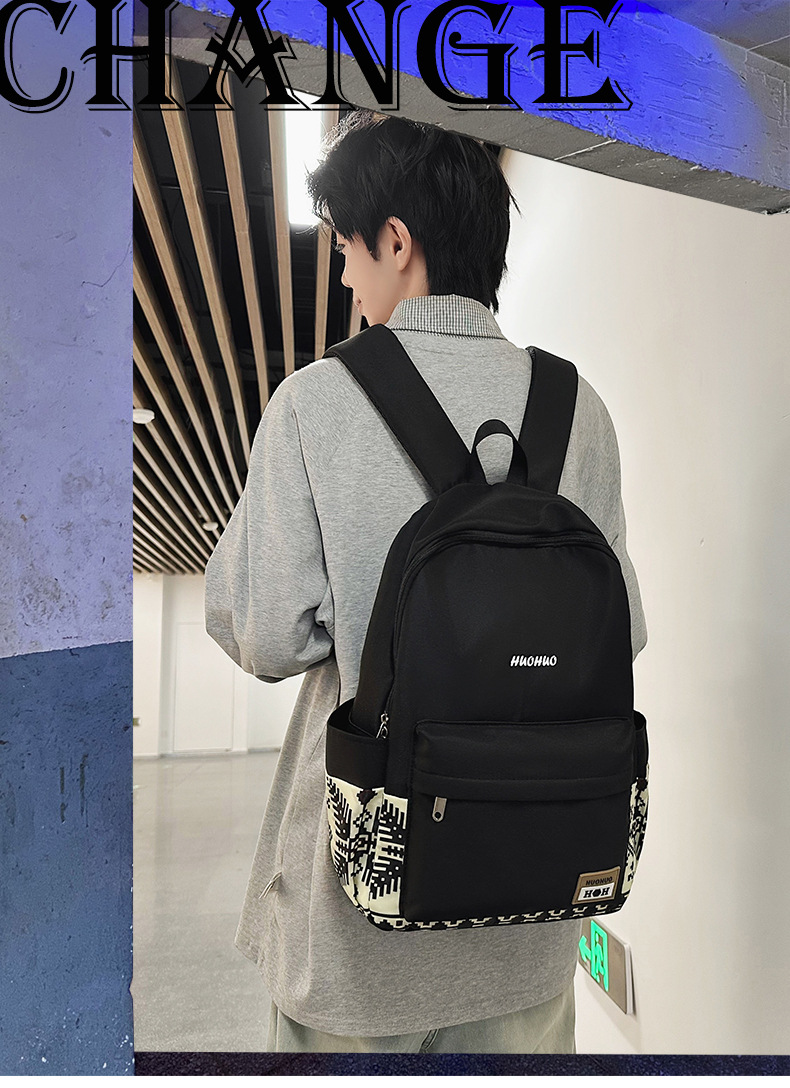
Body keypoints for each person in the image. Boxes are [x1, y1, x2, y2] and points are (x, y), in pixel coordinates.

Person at [204, 110, 647, 1053]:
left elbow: (265, 634)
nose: (343, 276)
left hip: (361, 926)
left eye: (346, 249)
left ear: (397, 242)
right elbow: (624, 635)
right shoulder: (581, 411)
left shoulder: (317, 402)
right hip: (533, 915)